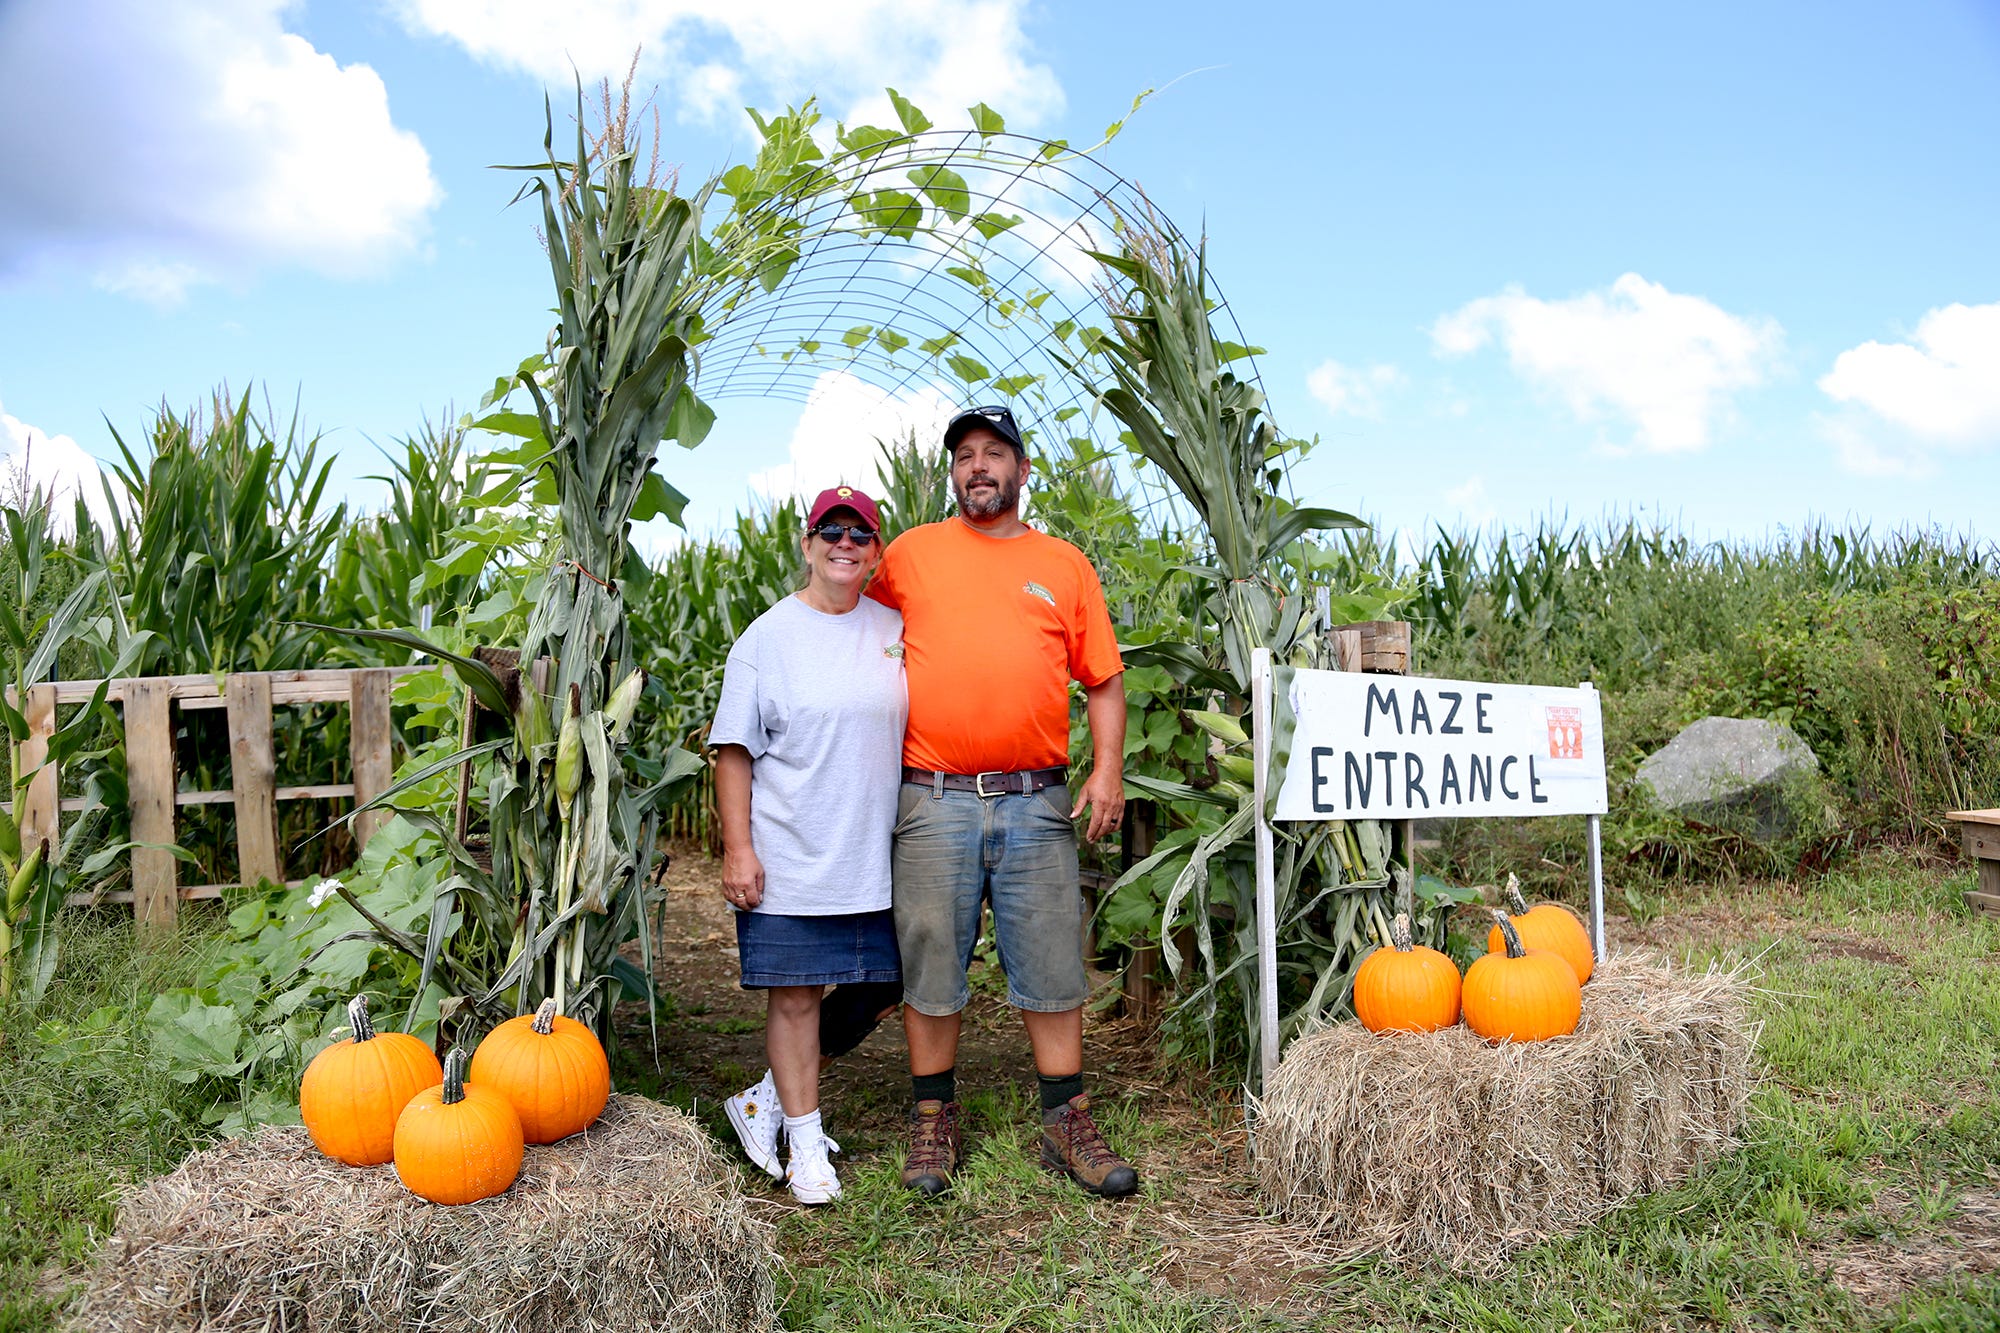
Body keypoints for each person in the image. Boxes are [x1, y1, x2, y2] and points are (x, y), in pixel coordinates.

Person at [866, 404, 1138, 1200]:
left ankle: (1065, 1118)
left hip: (1035, 800)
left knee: (1054, 958)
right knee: (930, 958)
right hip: (933, 797)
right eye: (965, 456)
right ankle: (932, 1115)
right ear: (953, 473)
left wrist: (1108, 769)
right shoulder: (911, 555)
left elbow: (1104, 679)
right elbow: (852, 630)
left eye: (994, 453)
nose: (977, 466)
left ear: (1022, 470)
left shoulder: (1063, 564)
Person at [710, 485, 907, 1204]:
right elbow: (733, 750)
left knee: (892, 981)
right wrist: (738, 848)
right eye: (831, 530)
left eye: (860, 534)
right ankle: (804, 1141)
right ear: (807, 543)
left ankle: (763, 1100)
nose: (844, 544)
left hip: (876, 852)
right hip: (791, 848)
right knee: (795, 998)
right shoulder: (768, 638)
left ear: (876, 551)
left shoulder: (895, 629)